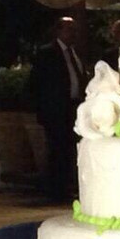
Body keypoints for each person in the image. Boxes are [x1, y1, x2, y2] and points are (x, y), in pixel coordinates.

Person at [30, 17, 86, 201]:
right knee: (57, 149)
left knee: (69, 149)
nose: (73, 34)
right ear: (59, 31)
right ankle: (56, 189)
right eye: (69, 30)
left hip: (73, 107)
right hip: (56, 110)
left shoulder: (75, 53)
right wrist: (42, 109)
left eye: (74, 30)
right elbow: (37, 83)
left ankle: (66, 186)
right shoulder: (47, 53)